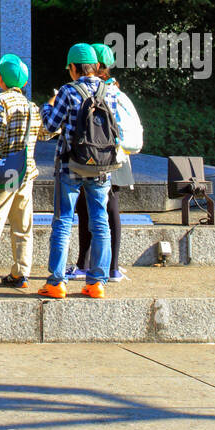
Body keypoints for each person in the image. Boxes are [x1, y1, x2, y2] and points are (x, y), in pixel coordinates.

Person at [39, 42, 121, 299]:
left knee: (63, 222)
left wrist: (47, 105)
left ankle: (56, 282)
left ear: (73, 68)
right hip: (101, 166)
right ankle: (97, 282)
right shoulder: (110, 92)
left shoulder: (68, 91)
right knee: (100, 222)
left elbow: (52, 126)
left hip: (70, 165)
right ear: (95, 67)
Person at [0, 53, 52, 291]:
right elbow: (46, 133)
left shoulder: (0, 102)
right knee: (23, 226)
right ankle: (21, 273)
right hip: (26, 172)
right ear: (23, 83)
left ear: (2, 80)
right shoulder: (32, 107)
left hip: (4, 173)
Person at [68, 43, 132, 283]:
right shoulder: (113, 89)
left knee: (93, 210)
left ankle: (92, 265)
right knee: (107, 209)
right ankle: (108, 267)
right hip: (112, 155)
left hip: (94, 158)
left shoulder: (103, 89)